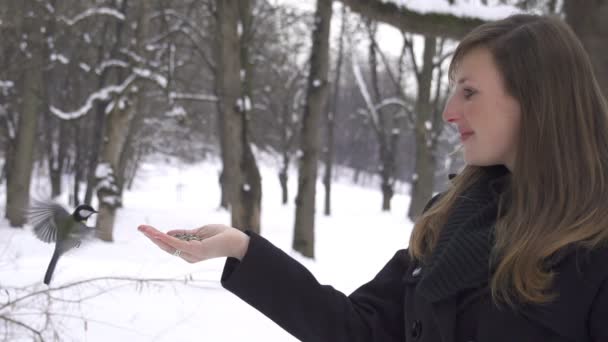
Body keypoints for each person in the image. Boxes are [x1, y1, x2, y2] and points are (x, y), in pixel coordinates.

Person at [138, 14, 608, 342]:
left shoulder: (596, 245)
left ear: (538, 101)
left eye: (469, 92)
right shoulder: (450, 218)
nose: (449, 112)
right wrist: (243, 249)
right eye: (451, 91)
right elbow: (361, 331)